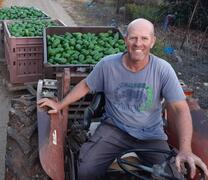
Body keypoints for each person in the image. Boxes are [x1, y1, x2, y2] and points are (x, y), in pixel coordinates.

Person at [37, 18, 208, 179]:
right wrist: (59, 105)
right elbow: (85, 86)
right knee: (85, 170)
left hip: (151, 135)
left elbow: (181, 108)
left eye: (144, 38)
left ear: (153, 41)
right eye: (133, 37)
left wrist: (185, 149)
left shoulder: (163, 70)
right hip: (115, 129)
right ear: (125, 40)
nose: (138, 43)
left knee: (172, 174)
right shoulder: (108, 65)